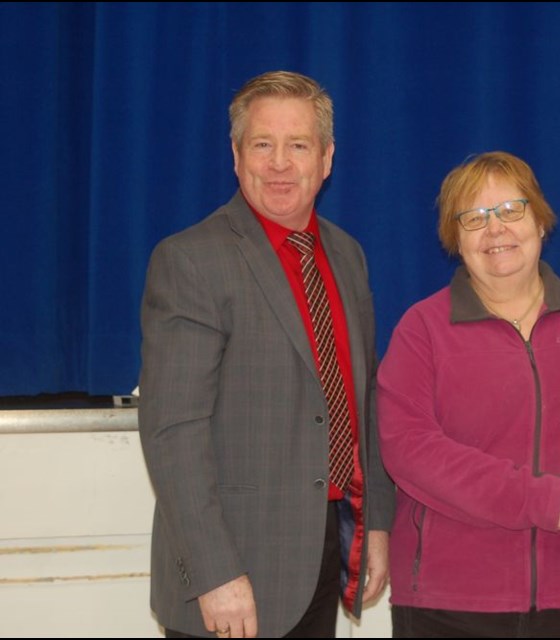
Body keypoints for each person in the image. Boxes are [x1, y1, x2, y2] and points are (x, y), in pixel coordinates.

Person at [139, 71, 394, 638]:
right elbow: (172, 432)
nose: (279, 163)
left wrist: (375, 524)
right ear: (236, 155)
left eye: (298, 145)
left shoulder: (347, 256)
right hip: (234, 572)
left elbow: (364, 401)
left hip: (325, 553)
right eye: (262, 144)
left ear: (326, 158)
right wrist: (214, 573)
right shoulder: (191, 261)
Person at [375, 151, 560, 638]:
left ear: (541, 222)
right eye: (474, 218)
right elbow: (410, 451)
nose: (495, 229)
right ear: (454, 239)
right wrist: (544, 500)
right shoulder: (421, 330)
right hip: (452, 605)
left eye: (511, 210)